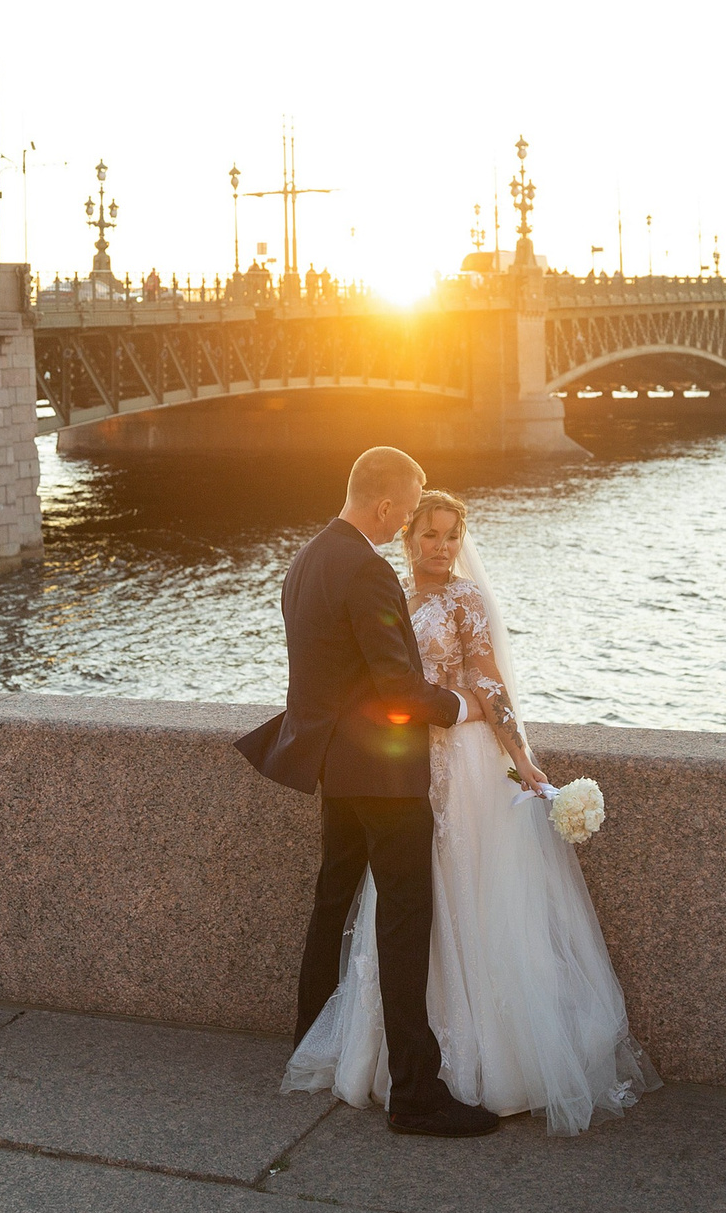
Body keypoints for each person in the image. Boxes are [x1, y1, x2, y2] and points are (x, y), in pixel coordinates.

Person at [284, 488, 660, 1135]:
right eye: (430, 534)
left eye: (451, 535)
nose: (442, 546)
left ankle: (487, 1058)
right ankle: (406, 1063)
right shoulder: (390, 592)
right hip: (401, 761)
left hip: (462, 762)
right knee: (408, 907)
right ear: (407, 536)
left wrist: (523, 756)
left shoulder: (465, 599)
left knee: (466, 891)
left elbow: (489, 683)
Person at [237, 448, 502, 1139]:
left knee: (334, 899)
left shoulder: (307, 560)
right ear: (385, 506)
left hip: (334, 768)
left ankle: (312, 1037)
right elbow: (398, 688)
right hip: (384, 777)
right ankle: (416, 1092)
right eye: (408, 509)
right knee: (405, 920)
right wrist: (463, 708)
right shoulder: (368, 569)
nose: (408, 521)